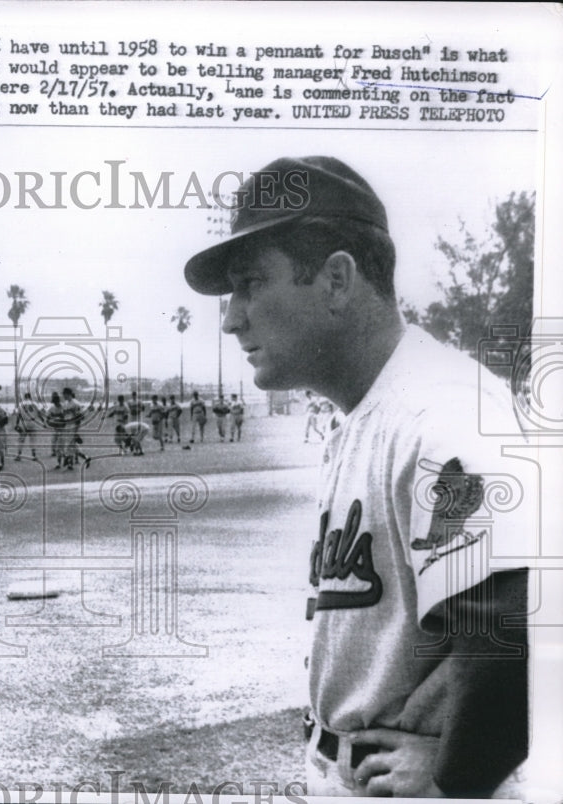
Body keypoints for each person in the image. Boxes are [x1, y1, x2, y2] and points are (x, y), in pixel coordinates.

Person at [184, 155, 529, 798]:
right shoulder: (375, 409)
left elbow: (526, 620)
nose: (231, 318)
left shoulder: (441, 413)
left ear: (337, 279)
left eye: (251, 283)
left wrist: (456, 775)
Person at [13, 391, 42, 460]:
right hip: (33, 422)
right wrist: (42, 421)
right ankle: (34, 456)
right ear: (30, 397)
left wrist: (17, 424)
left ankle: (18, 455)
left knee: (21, 439)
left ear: (25, 397)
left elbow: (19, 415)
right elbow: (39, 414)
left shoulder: (21, 404)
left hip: (24, 423)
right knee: (33, 440)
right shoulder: (35, 404)